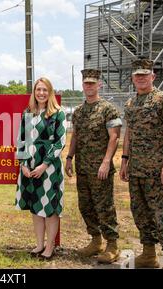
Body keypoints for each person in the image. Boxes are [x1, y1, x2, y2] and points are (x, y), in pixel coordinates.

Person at [120, 58, 163, 269]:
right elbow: (129, 133)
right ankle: (148, 254)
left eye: (144, 74)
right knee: (140, 213)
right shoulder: (131, 104)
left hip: (158, 171)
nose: (140, 78)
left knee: (162, 215)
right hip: (136, 170)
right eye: (137, 75)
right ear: (132, 78)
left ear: (153, 77)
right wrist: (124, 159)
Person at [65, 69, 122, 263]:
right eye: (86, 83)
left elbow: (114, 137)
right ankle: (96, 241)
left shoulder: (108, 109)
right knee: (85, 206)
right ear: (83, 85)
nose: (89, 86)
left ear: (99, 85)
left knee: (104, 206)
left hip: (101, 170)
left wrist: (106, 162)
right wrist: (69, 158)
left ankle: (112, 245)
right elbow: (76, 136)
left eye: (92, 83)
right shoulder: (79, 112)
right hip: (83, 168)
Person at [15, 77, 66, 260]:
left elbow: (60, 143)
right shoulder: (28, 113)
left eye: (45, 90)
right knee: (36, 207)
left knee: (49, 207)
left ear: (50, 92)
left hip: (49, 168)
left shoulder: (57, 113)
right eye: (38, 90)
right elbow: (21, 139)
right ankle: (39, 244)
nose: (41, 93)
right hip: (29, 166)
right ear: (34, 92)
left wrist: (44, 165)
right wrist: (23, 165)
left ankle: (50, 247)